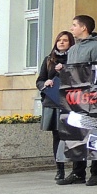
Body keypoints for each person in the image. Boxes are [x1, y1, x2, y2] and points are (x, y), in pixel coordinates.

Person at [56, 15, 97, 186]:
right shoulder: (73, 50)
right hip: (75, 98)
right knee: (77, 134)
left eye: (74, 25)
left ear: (84, 28)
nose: (72, 28)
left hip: (93, 98)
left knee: (95, 134)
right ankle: (78, 171)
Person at [36, 30, 74, 182]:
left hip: (70, 102)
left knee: (71, 135)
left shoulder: (73, 58)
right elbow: (39, 80)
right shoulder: (48, 59)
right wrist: (44, 84)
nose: (62, 42)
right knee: (57, 136)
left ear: (71, 43)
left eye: (65, 40)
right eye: (59, 40)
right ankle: (60, 169)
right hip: (52, 102)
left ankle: (76, 168)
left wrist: (64, 70)